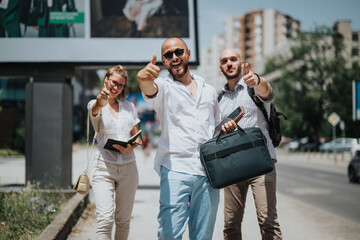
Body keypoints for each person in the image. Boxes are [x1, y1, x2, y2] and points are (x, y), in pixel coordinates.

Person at [137, 37, 234, 240]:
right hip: (175, 169)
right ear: (163, 61)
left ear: (188, 54)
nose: (174, 57)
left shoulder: (208, 90)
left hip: (208, 172)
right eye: (168, 55)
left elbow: (214, 126)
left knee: (203, 236)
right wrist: (142, 78)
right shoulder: (163, 87)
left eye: (179, 52)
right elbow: (148, 88)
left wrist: (225, 126)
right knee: (169, 234)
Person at [218, 48, 283, 240]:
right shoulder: (219, 99)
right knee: (230, 225)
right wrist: (224, 130)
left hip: (261, 163)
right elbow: (216, 135)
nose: (229, 63)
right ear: (220, 67)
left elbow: (267, 92)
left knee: (267, 221)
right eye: (224, 61)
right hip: (233, 167)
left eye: (233, 59)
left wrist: (257, 79)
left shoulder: (253, 86)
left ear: (241, 62)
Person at [88, 65, 141, 240]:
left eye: (120, 85)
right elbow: (95, 109)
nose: (116, 87)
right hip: (103, 167)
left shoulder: (129, 107)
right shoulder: (95, 104)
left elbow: (137, 138)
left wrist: (130, 146)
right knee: (105, 219)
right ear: (106, 80)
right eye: (114, 83)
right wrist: (100, 101)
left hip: (128, 168)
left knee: (123, 221)